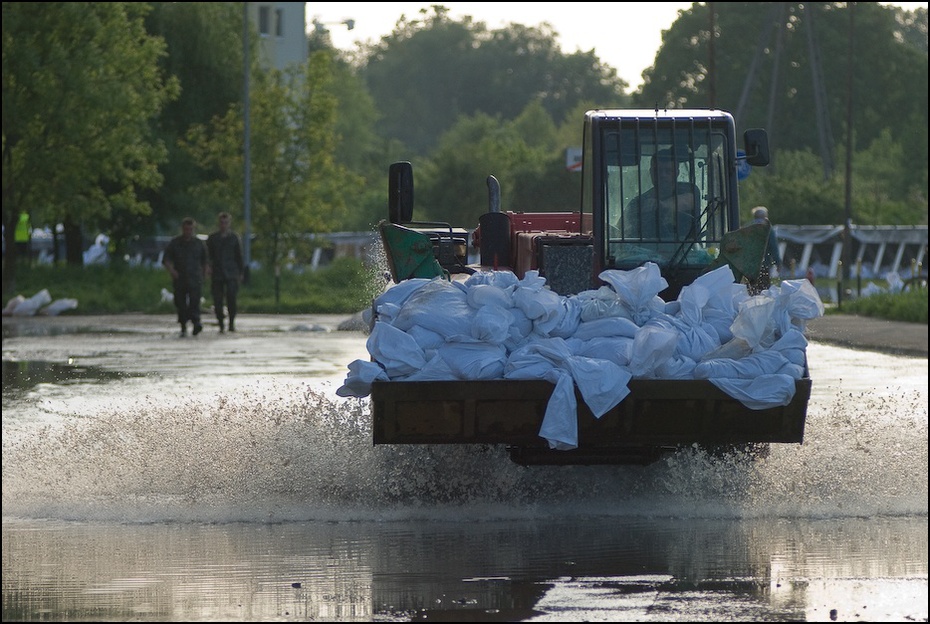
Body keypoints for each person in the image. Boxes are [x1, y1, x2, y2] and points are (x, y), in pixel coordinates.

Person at [622, 149, 700, 240]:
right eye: (658, 170)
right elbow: (625, 228)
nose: (662, 175)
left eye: (668, 171)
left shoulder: (689, 189)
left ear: (677, 173)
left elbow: (688, 201)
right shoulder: (638, 202)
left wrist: (662, 205)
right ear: (651, 172)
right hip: (647, 251)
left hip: (686, 251)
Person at [163, 217, 207, 337]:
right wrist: (172, 271)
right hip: (180, 278)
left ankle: (196, 323)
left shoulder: (198, 243)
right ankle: (183, 325)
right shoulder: (175, 243)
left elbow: (205, 261)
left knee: (195, 302)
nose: (188, 231)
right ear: (183, 229)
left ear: (193, 229)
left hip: (195, 277)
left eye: (190, 229)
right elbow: (166, 259)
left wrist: (204, 274)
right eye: (186, 229)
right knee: (180, 303)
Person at [206, 211, 244, 333]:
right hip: (217, 272)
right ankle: (221, 323)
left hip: (231, 272)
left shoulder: (234, 238)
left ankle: (231, 322)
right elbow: (207, 256)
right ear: (219, 223)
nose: (224, 225)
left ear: (229, 223)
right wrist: (207, 267)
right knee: (217, 300)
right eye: (222, 222)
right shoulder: (212, 239)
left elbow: (239, 256)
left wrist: (241, 272)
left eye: (226, 222)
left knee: (231, 298)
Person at [752, 205, 781, 290]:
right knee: (764, 288)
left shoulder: (749, 228)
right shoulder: (768, 229)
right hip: (764, 264)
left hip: (749, 265)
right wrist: (777, 263)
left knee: (751, 288)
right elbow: (773, 247)